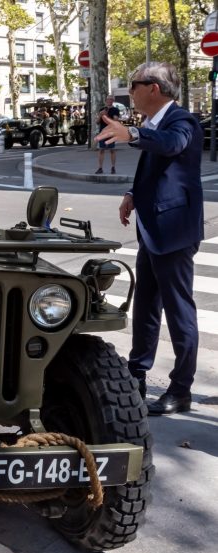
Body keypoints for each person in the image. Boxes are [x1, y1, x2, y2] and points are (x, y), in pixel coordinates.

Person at [96, 62, 203, 415]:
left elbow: (173, 146)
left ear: (154, 88)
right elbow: (158, 169)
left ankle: (181, 388)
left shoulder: (181, 121)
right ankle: (137, 373)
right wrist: (131, 193)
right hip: (153, 229)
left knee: (179, 312)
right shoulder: (153, 122)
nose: (131, 91)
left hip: (173, 233)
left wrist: (134, 136)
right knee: (145, 306)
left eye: (134, 84)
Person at [96, 95, 120, 174]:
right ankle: (100, 168)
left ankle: (113, 167)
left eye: (111, 99)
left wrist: (107, 116)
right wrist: (100, 115)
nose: (109, 101)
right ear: (105, 100)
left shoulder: (115, 110)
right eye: (108, 99)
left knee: (112, 150)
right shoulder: (102, 109)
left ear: (113, 101)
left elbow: (115, 120)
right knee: (101, 149)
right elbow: (97, 122)